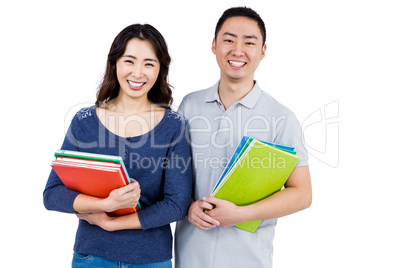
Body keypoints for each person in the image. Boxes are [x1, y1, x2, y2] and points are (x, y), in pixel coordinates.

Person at [43, 24, 192, 268]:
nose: (138, 73)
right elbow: (52, 195)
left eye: (149, 63)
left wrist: (114, 222)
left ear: (160, 69)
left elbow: (176, 204)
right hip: (91, 257)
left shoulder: (174, 126)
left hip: (151, 259)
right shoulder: (85, 121)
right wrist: (105, 205)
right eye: (129, 61)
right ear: (115, 63)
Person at [174, 7, 312, 268]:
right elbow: (173, 176)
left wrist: (240, 215)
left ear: (263, 51)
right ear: (214, 46)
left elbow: (302, 193)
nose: (237, 50)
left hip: (249, 260)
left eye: (249, 42)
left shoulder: (280, 117)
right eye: (229, 40)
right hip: (190, 258)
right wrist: (189, 206)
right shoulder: (190, 106)